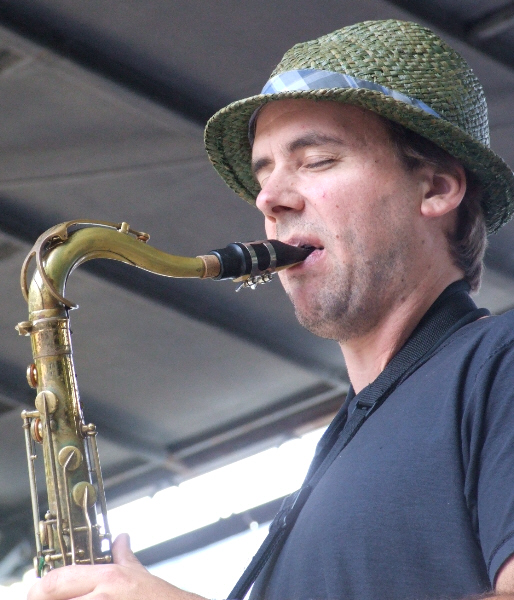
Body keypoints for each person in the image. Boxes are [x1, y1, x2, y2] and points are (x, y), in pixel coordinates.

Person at [28, 18, 514, 600]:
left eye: (317, 161)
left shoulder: (499, 363)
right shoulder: (346, 447)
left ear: (436, 188)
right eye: (264, 173)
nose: (270, 199)